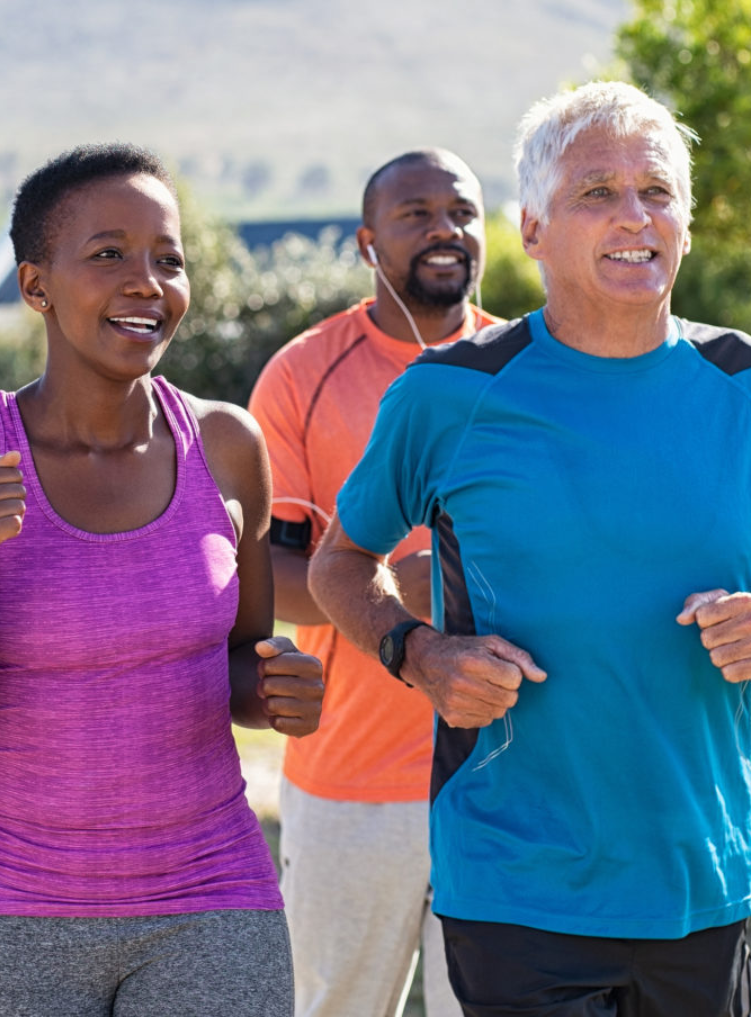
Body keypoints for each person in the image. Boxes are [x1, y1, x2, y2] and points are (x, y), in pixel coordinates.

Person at [307, 81, 751, 1017]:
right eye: (597, 193)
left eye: (657, 192)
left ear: (687, 225)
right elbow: (338, 562)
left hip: (700, 881)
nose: (635, 217)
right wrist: (419, 653)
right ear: (534, 229)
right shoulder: (449, 394)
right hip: (513, 880)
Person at [0, 143, 324, 1017]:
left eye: (167, 259)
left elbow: (242, 670)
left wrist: (280, 684)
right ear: (36, 286)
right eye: (109, 255)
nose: (148, 282)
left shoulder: (227, 446)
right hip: (9, 916)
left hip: (211, 900)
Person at [247, 147, 494, 1017]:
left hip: (507, 777)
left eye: (462, 212)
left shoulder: (530, 370)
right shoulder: (301, 375)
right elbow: (264, 579)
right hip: (350, 778)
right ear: (366, 241)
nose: (445, 231)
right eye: (416, 214)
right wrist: (399, 591)